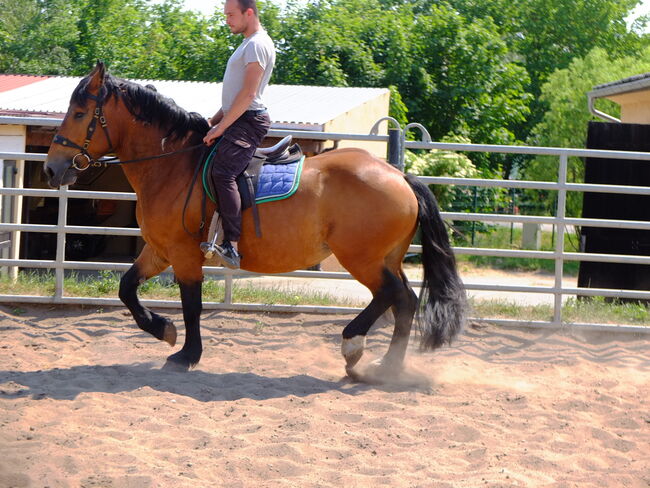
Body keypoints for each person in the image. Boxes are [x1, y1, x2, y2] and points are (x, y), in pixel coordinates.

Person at [203, 0, 275, 269]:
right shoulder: (248, 44)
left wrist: (220, 128)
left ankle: (231, 245)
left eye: (231, 15)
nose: (227, 20)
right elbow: (233, 98)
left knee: (224, 172)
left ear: (249, 12)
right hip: (237, 117)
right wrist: (213, 120)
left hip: (248, 121)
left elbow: (248, 95)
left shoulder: (257, 44)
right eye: (225, 15)